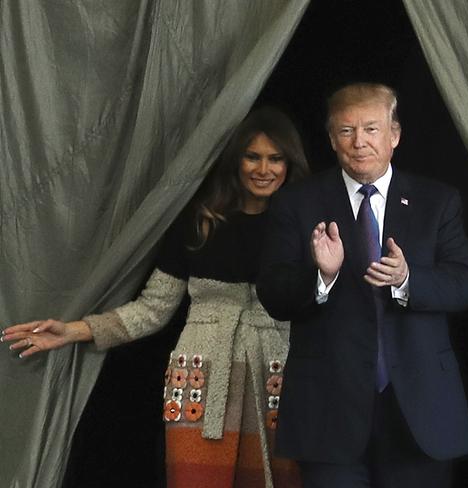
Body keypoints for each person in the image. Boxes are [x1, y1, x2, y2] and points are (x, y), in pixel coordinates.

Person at [2, 106, 309, 488]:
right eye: (253, 156)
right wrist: (74, 331)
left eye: (275, 158)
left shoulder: (305, 227)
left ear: (289, 163)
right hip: (201, 378)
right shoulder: (200, 222)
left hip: (274, 375)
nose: (264, 169)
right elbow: (153, 309)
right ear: (235, 160)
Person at [256, 83, 468, 488]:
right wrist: (322, 276)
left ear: (394, 134)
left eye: (371, 129)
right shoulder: (297, 203)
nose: (359, 142)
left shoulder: (437, 201)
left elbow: (464, 284)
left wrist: (408, 279)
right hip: (329, 409)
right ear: (331, 139)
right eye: (346, 131)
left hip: (418, 408)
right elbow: (273, 292)